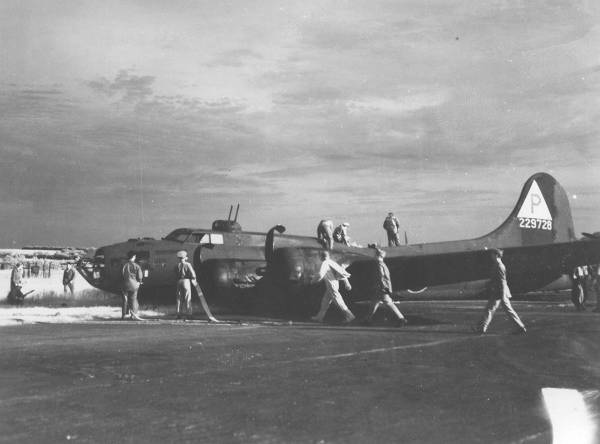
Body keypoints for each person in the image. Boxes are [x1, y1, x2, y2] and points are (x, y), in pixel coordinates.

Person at [473, 249, 526, 334]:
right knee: (492, 309)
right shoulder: (497, 265)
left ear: (497, 255)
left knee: (492, 310)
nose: (491, 256)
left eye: (492, 255)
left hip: (500, 292)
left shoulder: (499, 266)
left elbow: (502, 280)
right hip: (499, 292)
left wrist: (502, 294)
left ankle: (482, 328)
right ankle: (520, 327)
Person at [364, 248, 407, 326]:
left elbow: (381, 277)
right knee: (374, 303)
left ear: (378, 256)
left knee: (388, 303)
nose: (374, 256)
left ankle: (401, 318)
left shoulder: (379, 265)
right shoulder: (383, 264)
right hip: (382, 287)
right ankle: (368, 319)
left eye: (375, 255)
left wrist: (383, 287)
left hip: (381, 287)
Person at [310, 251, 355, 323]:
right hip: (334, 283)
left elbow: (320, 275)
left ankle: (349, 315)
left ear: (320, 256)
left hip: (331, 284)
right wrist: (347, 283)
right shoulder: (331, 262)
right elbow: (340, 271)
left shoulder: (324, 263)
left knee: (338, 300)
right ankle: (319, 317)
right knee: (325, 301)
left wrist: (313, 281)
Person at [175, 250, 219, 322]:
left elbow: (175, 274)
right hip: (186, 281)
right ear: (185, 257)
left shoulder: (177, 265)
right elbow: (193, 274)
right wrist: (194, 279)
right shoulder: (188, 264)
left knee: (179, 298)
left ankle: (178, 314)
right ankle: (189, 314)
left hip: (179, 281)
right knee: (187, 297)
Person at [121, 251, 143, 320]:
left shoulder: (124, 265)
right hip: (134, 285)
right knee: (133, 299)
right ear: (133, 257)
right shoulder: (136, 266)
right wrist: (139, 282)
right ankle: (133, 315)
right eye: (135, 256)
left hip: (125, 284)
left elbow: (121, 275)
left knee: (125, 300)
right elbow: (140, 276)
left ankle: (124, 315)